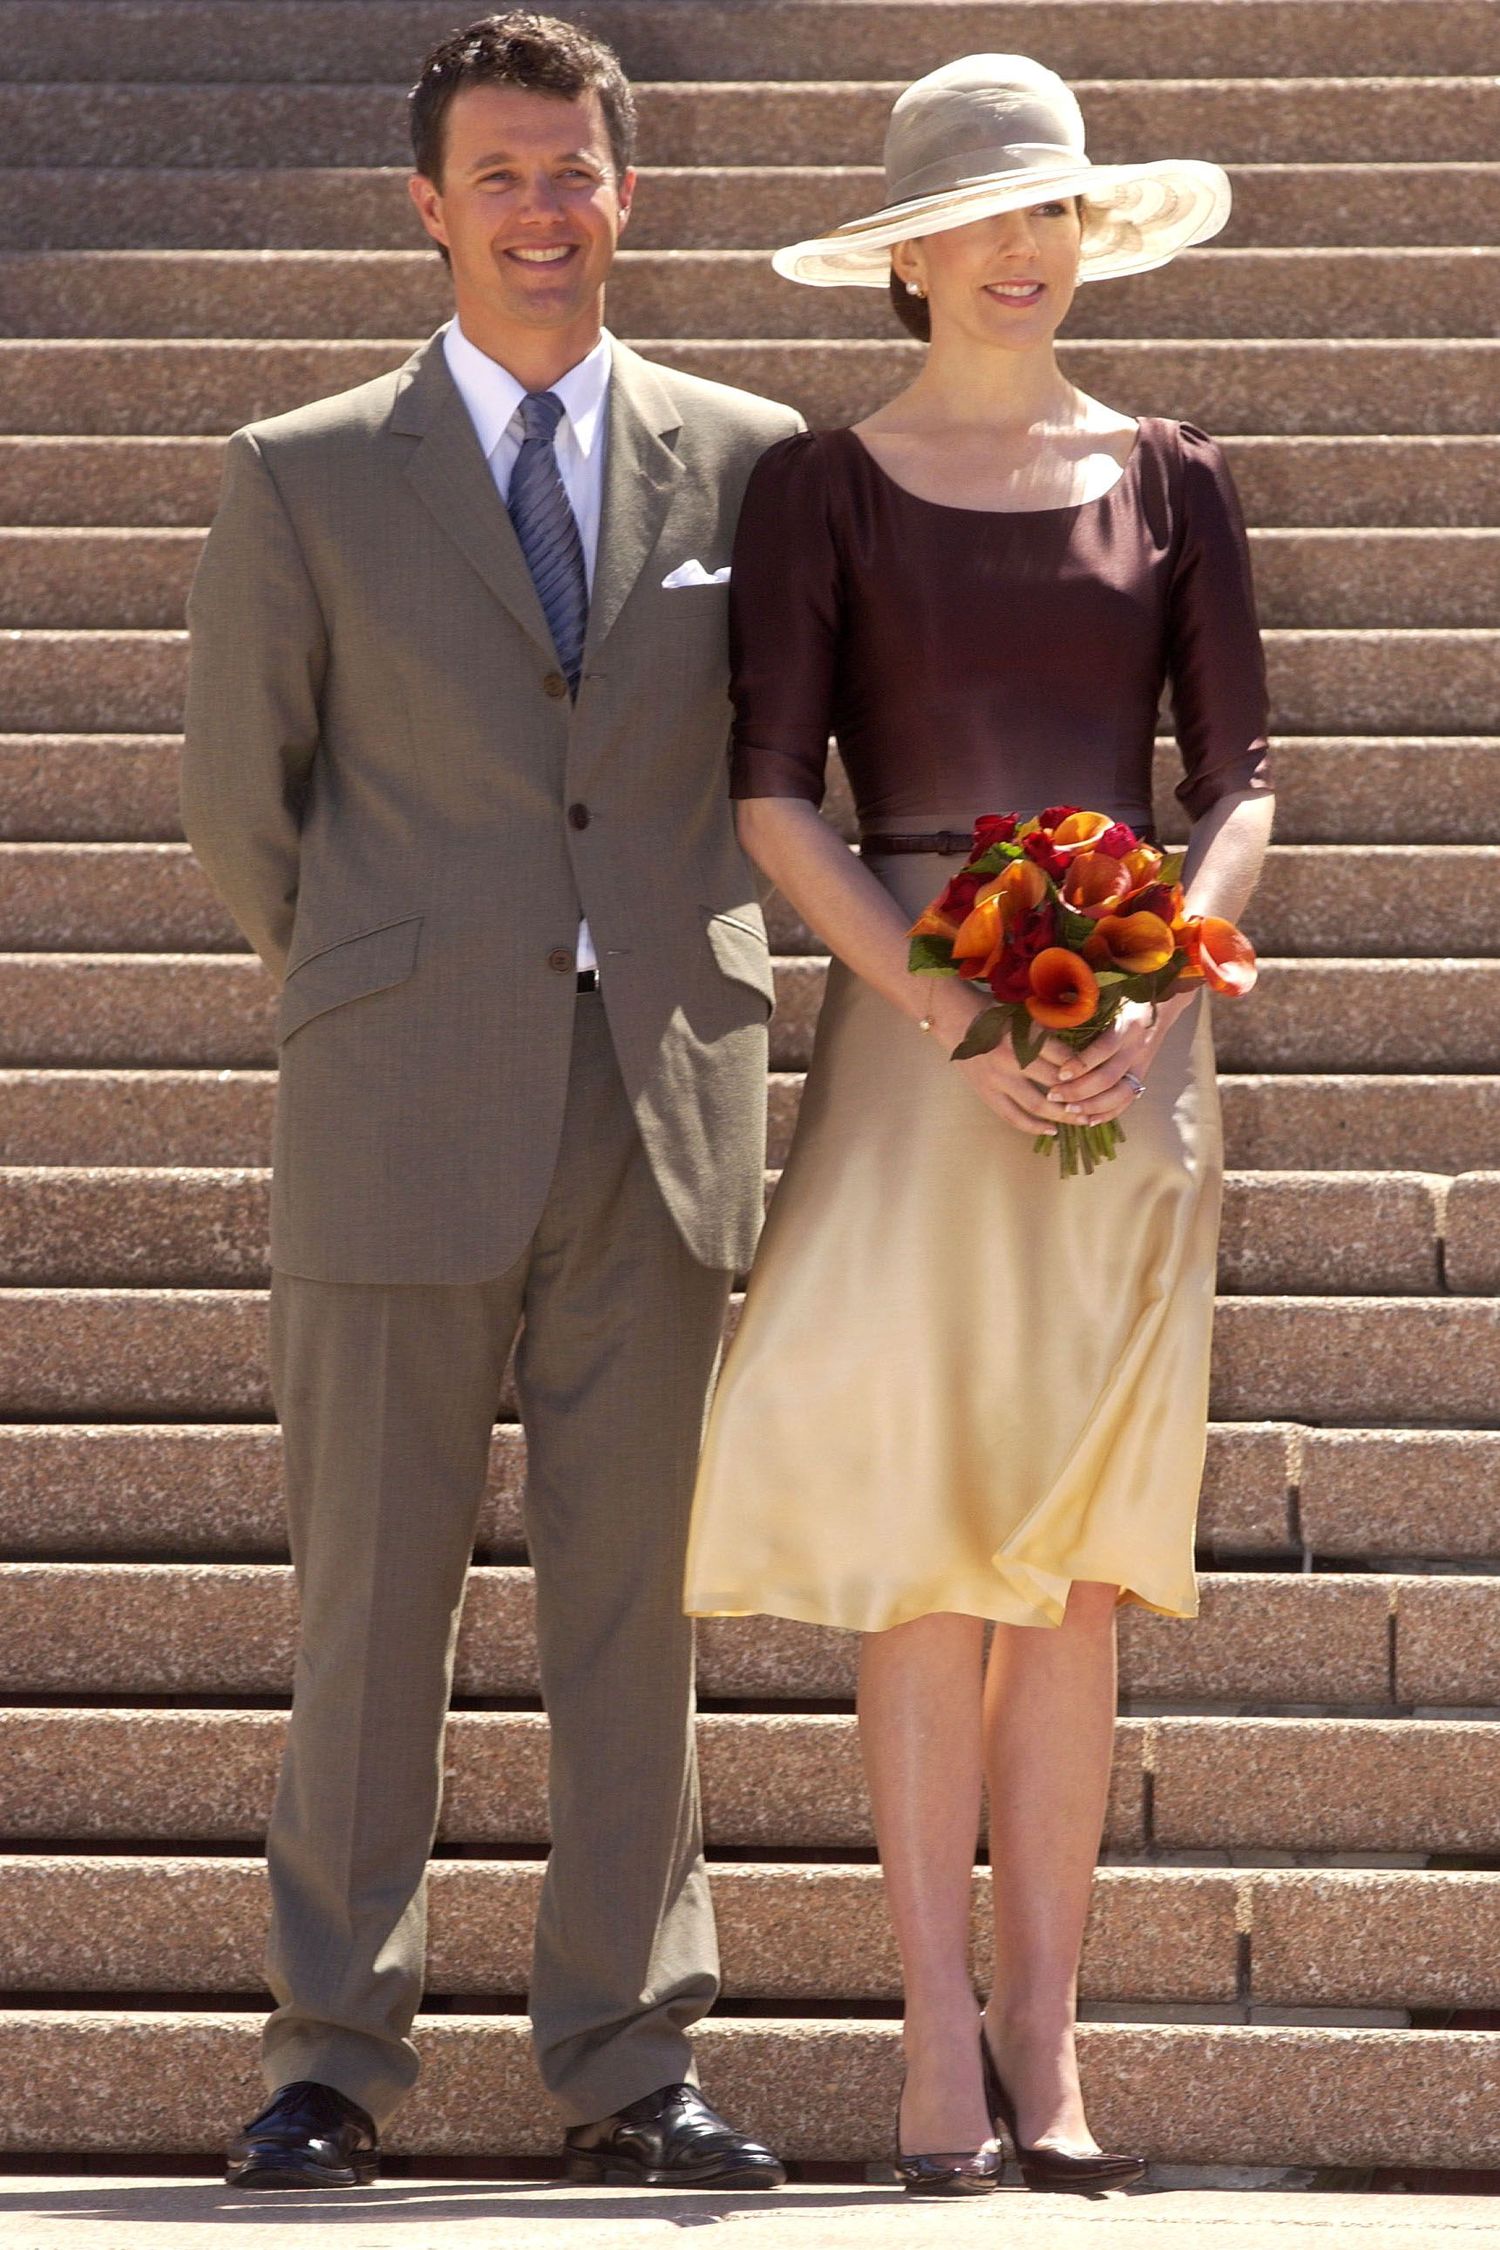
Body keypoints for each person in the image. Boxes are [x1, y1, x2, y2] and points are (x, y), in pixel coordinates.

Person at [182, 8, 798, 2193]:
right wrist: (383, 990)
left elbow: (788, 765)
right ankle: (333, 2053)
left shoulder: (749, 459)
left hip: (661, 1095)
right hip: (394, 1104)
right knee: (371, 1608)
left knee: (635, 1606)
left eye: (579, 169)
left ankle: (635, 2062)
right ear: (429, 205)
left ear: (630, 192)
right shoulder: (304, 467)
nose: (547, 207)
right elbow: (237, 812)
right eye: (505, 173)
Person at [684, 54, 1274, 2197]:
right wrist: (948, 1008)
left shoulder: (1178, 478)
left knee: (1080, 1575)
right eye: (989, 215)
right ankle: (934, 2033)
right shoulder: (818, 494)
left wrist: (1165, 975)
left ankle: (1052, 2031)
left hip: (1134, 1044)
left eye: (1056, 210)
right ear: (909, 255)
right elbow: (772, 799)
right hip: (916, 1050)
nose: (1029, 248)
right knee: (930, 1556)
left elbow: (1243, 783)